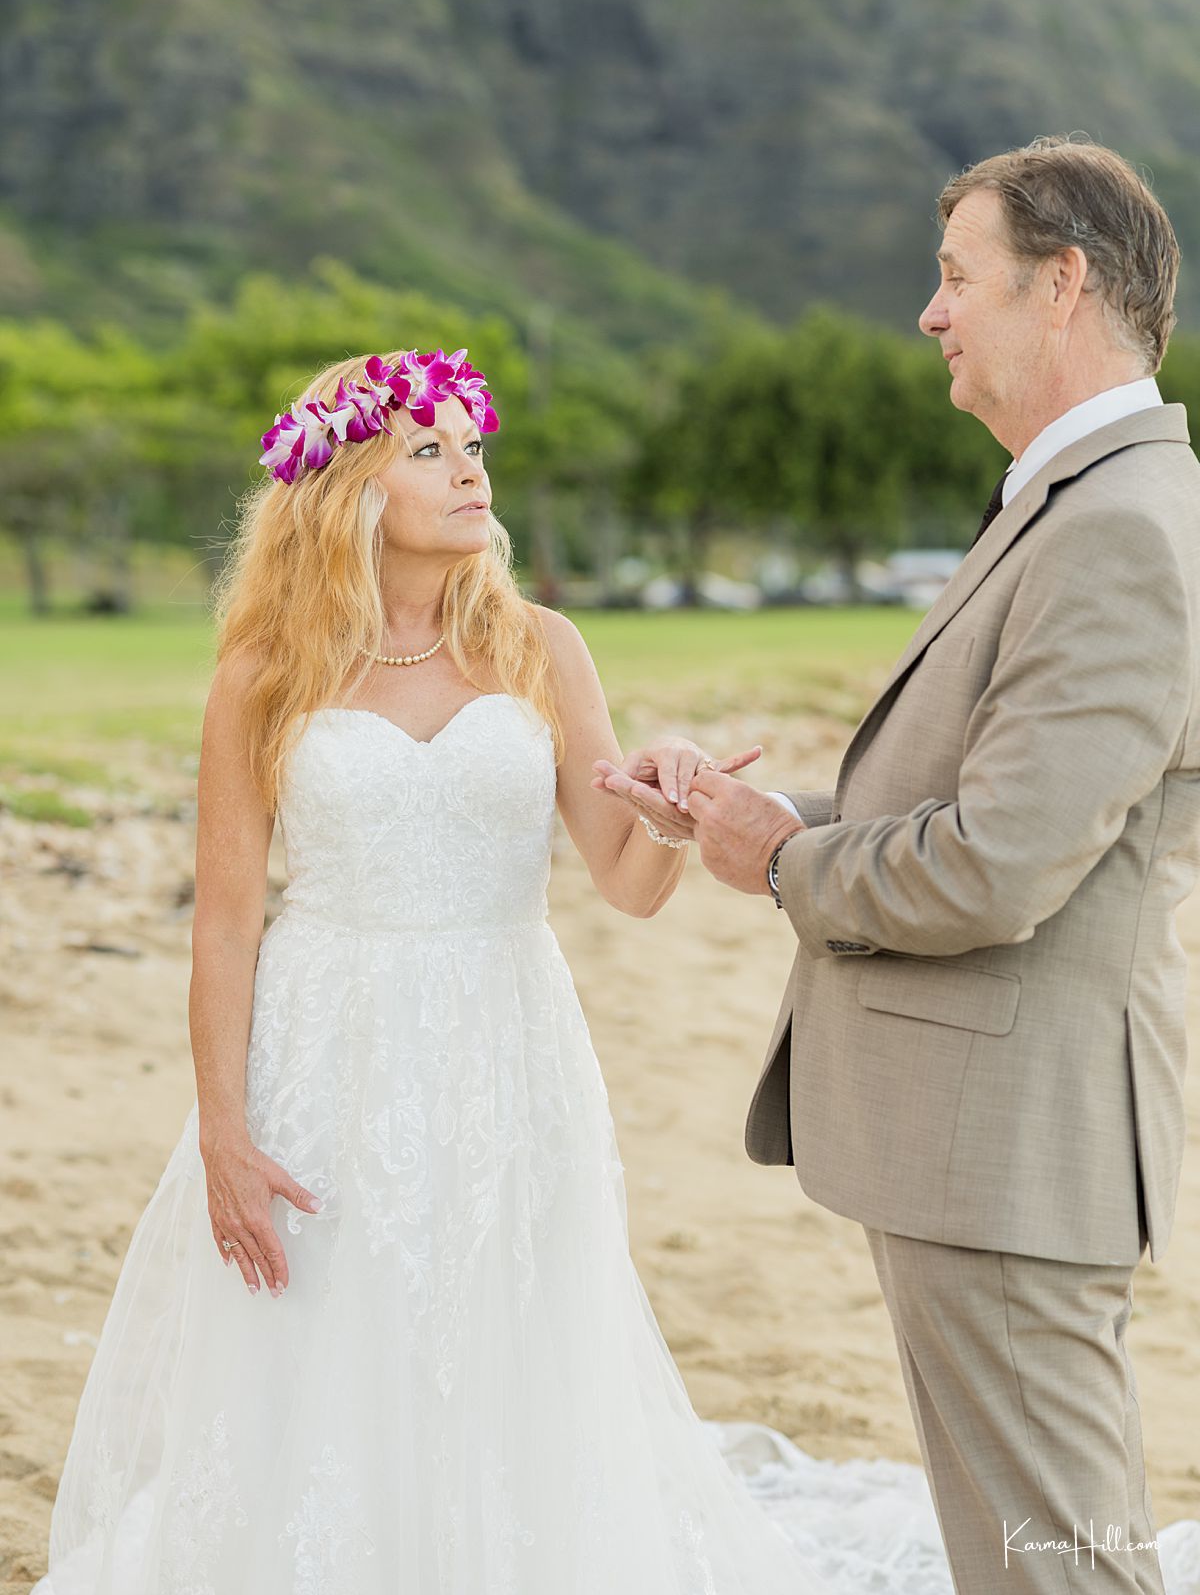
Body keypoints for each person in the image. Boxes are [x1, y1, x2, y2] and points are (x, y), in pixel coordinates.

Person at [34, 348, 897, 1595]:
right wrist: (223, 1126)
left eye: (472, 444)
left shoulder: (542, 644)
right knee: (331, 1331)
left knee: (514, 1321)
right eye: (428, 449)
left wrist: (677, 804)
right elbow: (224, 922)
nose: (469, 466)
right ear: (348, 489)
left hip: (511, 1035)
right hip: (327, 1046)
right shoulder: (265, 674)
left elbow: (623, 871)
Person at [597, 137, 1200, 1594]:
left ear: (1061, 284)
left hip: (1015, 1148)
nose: (930, 313)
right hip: (980, 1147)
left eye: (954, 276)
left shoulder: (1119, 525)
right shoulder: (1069, 500)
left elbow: (996, 866)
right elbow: (981, 797)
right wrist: (760, 813)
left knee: (1060, 1560)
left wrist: (784, 859)